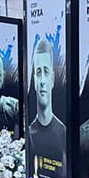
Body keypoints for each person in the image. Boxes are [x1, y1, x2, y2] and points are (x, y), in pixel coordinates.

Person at [26, 39, 66, 168]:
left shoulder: (63, 133)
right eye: (38, 72)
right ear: (34, 81)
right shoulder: (29, 133)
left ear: (52, 79)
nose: (42, 81)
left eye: (46, 72)